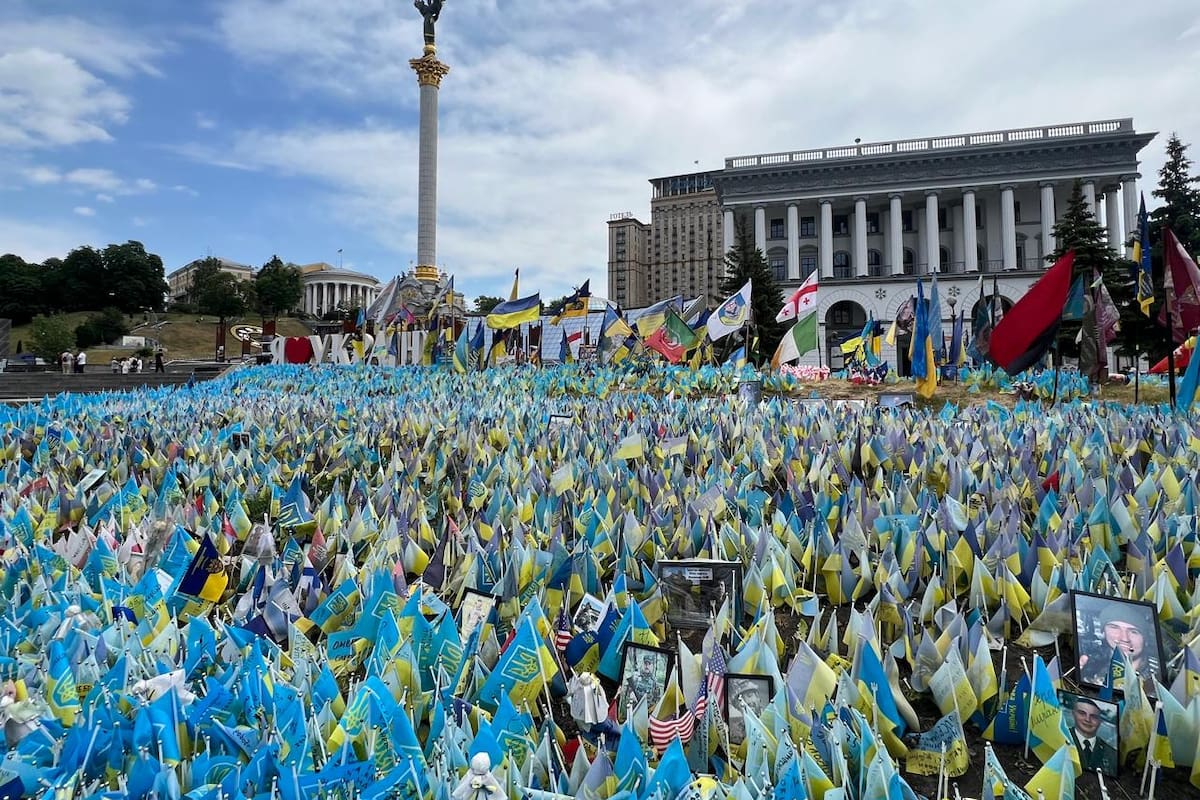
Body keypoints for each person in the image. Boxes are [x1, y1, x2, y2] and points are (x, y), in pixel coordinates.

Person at [1080, 602, 1159, 690]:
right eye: (1114, 628)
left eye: (1134, 632)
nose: (1124, 639)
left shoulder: (1158, 677)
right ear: (1104, 632)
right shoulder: (1093, 665)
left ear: (1146, 639)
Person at [1067, 696, 1118, 776]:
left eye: (1093, 716)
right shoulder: (1061, 738)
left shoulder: (1112, 754)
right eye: (1082, 713)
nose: (1087, 719)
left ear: (1100, 721)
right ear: (1073, 714)